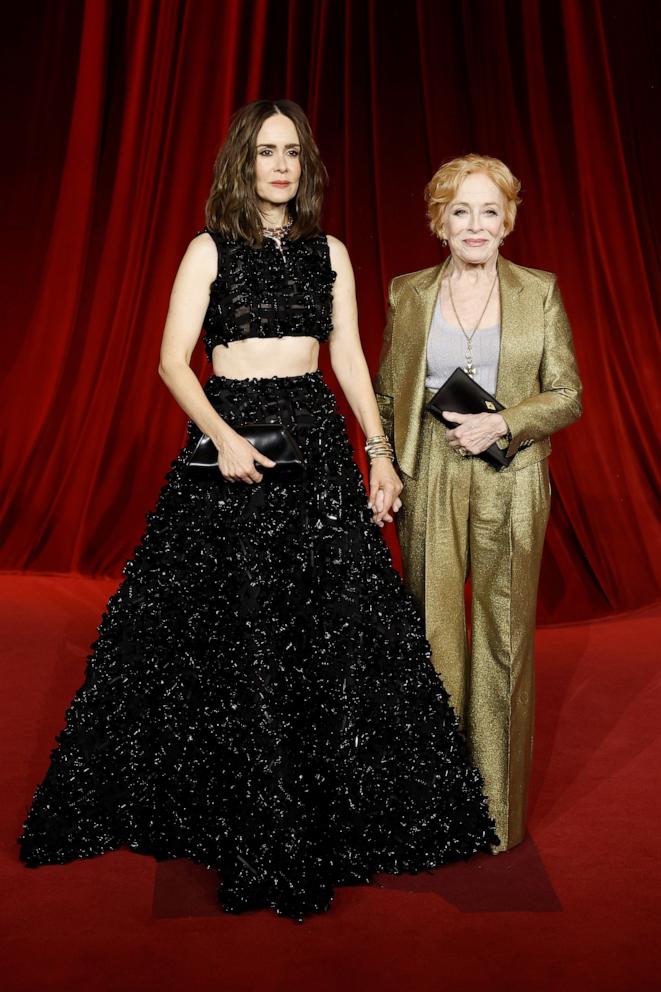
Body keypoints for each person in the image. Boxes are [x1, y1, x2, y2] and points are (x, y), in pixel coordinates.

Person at [19, 103, 498, 920]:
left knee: (328, 627)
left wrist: (378, 453)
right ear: (241, 165)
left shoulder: (330, 252)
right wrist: (224, 438)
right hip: (229, 443)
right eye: (265, 153)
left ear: (305, 166)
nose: (280, 165)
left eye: (292, 154)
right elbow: (173, 362)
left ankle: (325, 811)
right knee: (223, 630)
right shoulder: (207, 250)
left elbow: (346, 354)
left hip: (312, 443)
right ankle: (230, 810)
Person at [374, 154, 582, 852]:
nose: (474, 224)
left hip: (511, 476)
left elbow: (566, 394)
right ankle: (435, 807)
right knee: (430, 636)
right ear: (439, 221)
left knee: (502, 639)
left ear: (507, 220)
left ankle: (493, 815)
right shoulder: (407, 294)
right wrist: (384, 468)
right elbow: (386, 393)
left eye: (487, 210)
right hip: (429, 471)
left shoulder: (539, 291)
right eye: (458, 210)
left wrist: (505, 421)